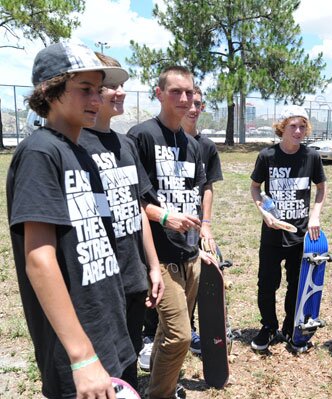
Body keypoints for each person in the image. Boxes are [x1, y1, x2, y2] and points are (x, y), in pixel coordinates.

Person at [6, 42, 133, 398]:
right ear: (50, 91)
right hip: (77, 350)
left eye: (99, 89)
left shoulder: (81, 153)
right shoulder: (40, 152)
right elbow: (39, 259)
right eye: (84, 89)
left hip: (107, 331)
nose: (97, 98)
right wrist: (81, 357)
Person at [127, 65, 216, 399]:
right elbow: (132, 202)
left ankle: (165, 383)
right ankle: (159, 393)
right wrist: (164, 217)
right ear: (159, 93)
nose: (184, 98)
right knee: (179, 334)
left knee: (171, 332)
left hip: (188, 254)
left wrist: (200, 243)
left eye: (189, 92)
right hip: (158, 254)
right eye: (176, 91)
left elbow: (194, 200)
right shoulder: (142, 136)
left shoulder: (192, 146)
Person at [78, 53, 165, 391]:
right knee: (100, 368)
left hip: (132, 276)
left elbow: (138, 207)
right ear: (92, 93)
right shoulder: (72, 145)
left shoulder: (125, 144)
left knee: (128, 362)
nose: (121, 93)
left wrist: (153, 266)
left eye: (122, 86)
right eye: (112, 86)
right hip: (97, 282)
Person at [249, 105, 327, 353]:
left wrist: (314, 216)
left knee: (297, 283)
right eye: (293, 125)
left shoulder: (311, 157)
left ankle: (290, 326)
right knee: (267, 284)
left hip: (300, 235)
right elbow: (255, 188)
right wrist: (264, 213)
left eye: (303, 126)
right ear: (282, 127)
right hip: (272, 234)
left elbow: (321, 189)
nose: (298, 130)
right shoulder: (267, 156)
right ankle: (268, 327)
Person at [180, 85, 224, 354]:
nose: (194, 109)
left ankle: (192, 329)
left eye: (199, 104)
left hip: (194, 225)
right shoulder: (162, 140)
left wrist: (205, 224)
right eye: (190, 103)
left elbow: (207, 187)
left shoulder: (207, 147)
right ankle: (151, 335)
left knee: (196, 276)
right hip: (166, 223)